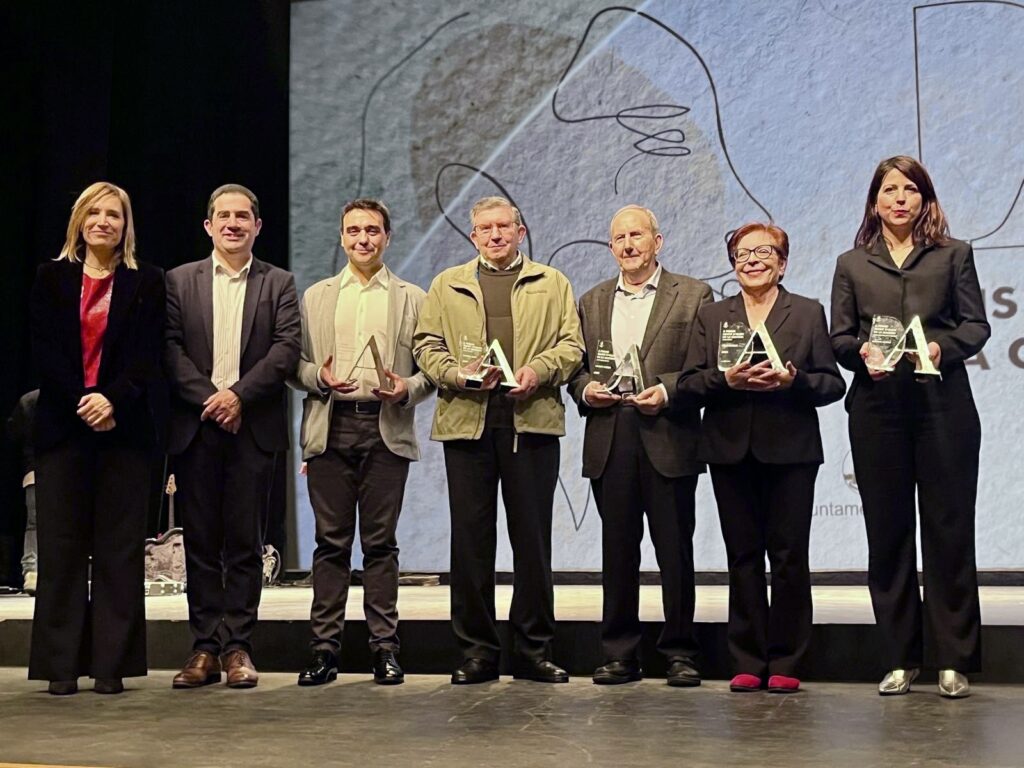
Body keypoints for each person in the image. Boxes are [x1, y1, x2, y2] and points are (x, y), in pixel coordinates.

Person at [830, 156, 989, 698]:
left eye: (910, 189)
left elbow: (977, 324)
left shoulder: (953, 255)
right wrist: (862, 353)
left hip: (943, 408)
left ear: (924, 198)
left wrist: (944, 347)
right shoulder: (852, 263)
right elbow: (839, 339)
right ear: (874, 200)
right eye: (889, 189)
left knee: (948, 532)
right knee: (889, 536)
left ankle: (953, 658)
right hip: (878, 412)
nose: (899, 198)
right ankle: (900, 657)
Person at [413, 196, 584, 684]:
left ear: (521, 231)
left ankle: (533, 651)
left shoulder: (552, 283)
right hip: (467, 425)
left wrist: (539, 370)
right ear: (473, 237)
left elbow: (572, 345)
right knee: (470, 545)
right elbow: (426, 344)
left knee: (532, 545)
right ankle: (477, 653)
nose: (494, 234)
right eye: (485, 228)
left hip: (531, 423)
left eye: (503, 226)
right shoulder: (448, 284)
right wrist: (456, 375)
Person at [678, 223, 845, 693]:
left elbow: (833, 384)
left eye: (763, 252)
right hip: (730, 451)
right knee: (743, 557)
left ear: (782, 263)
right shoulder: (713, 317)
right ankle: (748, 657)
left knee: (790, 557)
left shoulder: (807, 313)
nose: (751, 259)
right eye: (741, 252)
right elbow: (689, 385)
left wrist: (796, 382)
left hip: (791, 451)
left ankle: (788, 657)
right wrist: (723, 381)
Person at [28, 182, 167, 695]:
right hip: (64, 429)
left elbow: (148, 357)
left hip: (124, 430)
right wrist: (84, 400)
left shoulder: (146, 281)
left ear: (126, 225)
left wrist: (112, 400)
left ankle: (112, 666)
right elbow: (44, 352)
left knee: (119, 550)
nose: (104, 221)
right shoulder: (51, 278)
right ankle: (60, 667)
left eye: (114, 214)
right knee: (61, 548)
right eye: (95, 212)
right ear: (79, 221)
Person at [567, 205, 711, 686]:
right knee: (618, 553)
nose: (628, 245)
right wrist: (586, 390)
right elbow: (578, 369)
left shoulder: (693, 295)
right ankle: (620, 654)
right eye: (619, 238)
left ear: (658, 241)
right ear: (611, 247)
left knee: (675, 553)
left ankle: (680, 653)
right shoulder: (591, 301)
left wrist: (667, 390)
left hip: (667, 432)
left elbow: (701, 368)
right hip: (611, 437)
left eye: (637, 236)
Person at [291, 199, 433, 686]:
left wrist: (407, 389)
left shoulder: (412, 297)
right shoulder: (317, 296)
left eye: (372, 230)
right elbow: (294, 365)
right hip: (331, 429)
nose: (363, 239)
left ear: (387, 237)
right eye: (353, 230)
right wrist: (319, 377)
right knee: (330, 544)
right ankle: (324, 650)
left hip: (385, 428)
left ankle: (384, 649)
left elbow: (429, 370)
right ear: (342, 236)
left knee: (380, 546)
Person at [165, 184, 301, 689]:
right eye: (223, 215)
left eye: (243, 216)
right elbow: (170, 349)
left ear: (257, 226)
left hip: (252, 428)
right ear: (208, 225)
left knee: (245, 544)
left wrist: (239, 396)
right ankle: (203, 648)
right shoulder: (179, 282)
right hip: (198, 428)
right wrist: (212, 398)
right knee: (199, 543)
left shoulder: (279, 283)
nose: (233, 224)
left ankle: (239, 647)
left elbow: (286, 349)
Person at [7, 390, 39, 595]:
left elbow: (13, 432)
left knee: (34, 524)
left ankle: (32, 571)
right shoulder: (71, 400)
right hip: (61, 471)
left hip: (34, 471)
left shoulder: (28, 399)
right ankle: (36, 571)